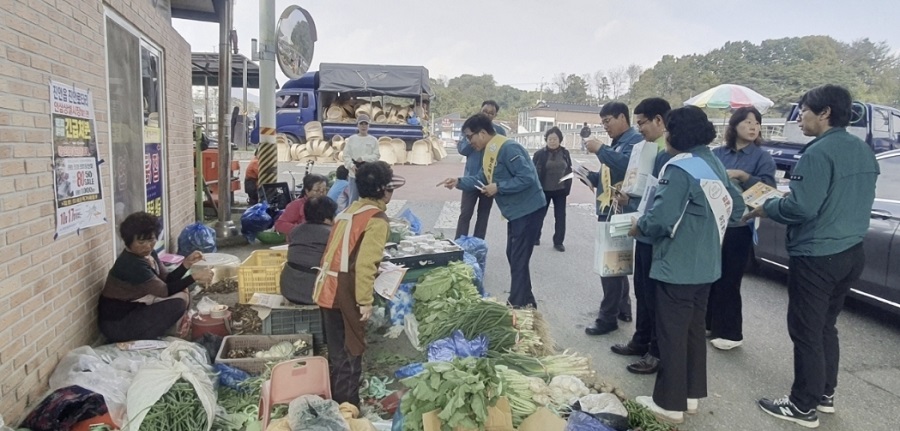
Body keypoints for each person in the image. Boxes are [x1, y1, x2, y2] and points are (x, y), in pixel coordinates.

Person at [748, 85, 878, 429]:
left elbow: (802, 207)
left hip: (818, 254)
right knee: (825, 328)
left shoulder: (819, 153)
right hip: (851, 252)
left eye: (805, 109)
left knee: (806, 330)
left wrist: (769, 204)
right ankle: (824, 394)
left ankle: (802, 405)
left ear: (824, 113)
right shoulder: (862, 150)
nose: (801, 116)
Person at [629, 106, 744, 424]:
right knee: (693, 331)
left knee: (671, 333)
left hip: (677, 265)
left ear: (675, 134)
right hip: (707, 264)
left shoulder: (679, 168)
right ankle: (690, 396)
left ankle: (668, 404)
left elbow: (661, 219)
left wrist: (640, 225)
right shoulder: (714, 163)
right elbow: (737, 210)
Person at [313, 161, 405, 407]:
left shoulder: (350, 211)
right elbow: (365, 264)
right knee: (351, 351)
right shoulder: (376, 220)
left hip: (326, 287)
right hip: (345, 292)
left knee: (336, 351)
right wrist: (365, 301)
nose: (392, 193)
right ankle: (348, 409)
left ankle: (335, 403)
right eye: (390, 188)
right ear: (382, 190)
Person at [439, 113, 545, 308]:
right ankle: (527, 297)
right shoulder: (490, 150)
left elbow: (527, 177)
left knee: (518, 256)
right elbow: (481, 177)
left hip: (529, 209)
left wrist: (499, 187)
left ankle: (517, 303)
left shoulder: (508, 148)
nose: (468, 142)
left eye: (469, 137)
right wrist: (459, 182)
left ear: (481, 133)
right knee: (513, 254)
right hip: (515, 212)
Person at [609, 98, 672, 375]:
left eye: (643, 123)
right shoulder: (645, 148)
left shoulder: (668, 152)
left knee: (657, 297)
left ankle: (655, 352)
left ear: (660, 120)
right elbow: (644, 192)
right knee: (643, 293)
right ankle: (640, 340)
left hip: (656, 233)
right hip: (642, 228)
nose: (640, 129)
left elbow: (661, 202)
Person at [706, 107, 776, 351]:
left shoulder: (761, 157)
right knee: (710, 274)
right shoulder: (717, 153)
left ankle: (730, 332)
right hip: (714, 222)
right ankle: (708, 323)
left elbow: (769, 193)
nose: (753, 126)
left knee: (730, 278)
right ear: (734, 126)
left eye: (757, 122)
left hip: (740, 224)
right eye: (747, 122)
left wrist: (744, 176)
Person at [98, 212, 213, 342]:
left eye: (151, 240)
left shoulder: (149, 254)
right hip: (117, 325)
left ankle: (158, 329)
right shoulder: (130, 263)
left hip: (134, 310)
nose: (147, 246)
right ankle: (143, 336)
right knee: (177, 304)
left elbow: (166, 279)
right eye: (141, 242)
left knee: (183, 292)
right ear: (128, 241)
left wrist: (186, 264)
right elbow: (165, 291)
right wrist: (195, 277)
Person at [583, 102, 642, 336]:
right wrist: (590, 176)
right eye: (603, 123)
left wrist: (600, 149)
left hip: (618, 212)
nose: (605, 127)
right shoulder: (619, 143)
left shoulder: (634, 142)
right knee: (618, 263)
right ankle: (623, 309)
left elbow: (627, 167)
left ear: (622, 117)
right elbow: (611, 174)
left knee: (610, 266)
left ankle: (607, 318)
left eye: (608, 121)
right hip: (609, 208)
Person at [455, 100, 506, 240]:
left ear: (495, 115)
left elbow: (503, 155)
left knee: (483, 215)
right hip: (470, 179)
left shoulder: (499, 132)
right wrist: (474, 137)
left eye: (491, 113)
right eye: (485, 111)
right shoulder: (470, 129)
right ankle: (460, 243)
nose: (488, 115)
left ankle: (478, 245)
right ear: (480, 110)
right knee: (465, 214)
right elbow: (462, 150)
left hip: (488, 180)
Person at [281, 196, 338, 305]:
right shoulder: (332, 234)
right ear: (327, 218)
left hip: (288, 288)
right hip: (313, 292)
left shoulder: (295, 230)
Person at [532, 126, 572, 251]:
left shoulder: (565, 153)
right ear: (546, 140)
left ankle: (558, 242)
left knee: (560, 217)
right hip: (544, 189)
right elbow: (532, 171)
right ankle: (535, 237)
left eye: (555, 139)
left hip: (560, 190)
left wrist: (568, 186)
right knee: (539, 215)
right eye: (550, 139)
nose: (552, 141)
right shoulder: (540, 154)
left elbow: (569, 169)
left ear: (560, 139)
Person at [343, 115, 380, 204]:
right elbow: (346, 155)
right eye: (361, 124)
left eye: (365, 124)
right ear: (357, 125)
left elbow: (376, 156)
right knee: (353, 200)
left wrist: (364, 158)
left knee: (368, 200)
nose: (363, 126)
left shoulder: (373, 140)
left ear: (369, 126)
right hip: (354, 175)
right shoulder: (352, 139)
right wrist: (351, 166)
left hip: (368, 175)